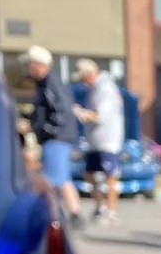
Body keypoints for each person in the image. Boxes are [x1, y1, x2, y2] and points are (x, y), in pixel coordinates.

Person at [26, 45, 82, 224]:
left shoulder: (51, 82)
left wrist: (46, 130)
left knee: (50, 178)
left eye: (29, 64)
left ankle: (51, 215)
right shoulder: (48, 82)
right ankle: (74, 213)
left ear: (38, 64)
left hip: (56, 137)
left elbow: (62, 110)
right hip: (57, 136)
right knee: (61, 176)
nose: (28, 69)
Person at [73, 58, 125, 222]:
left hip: (107, 141)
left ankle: (111, 210)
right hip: (94, 141)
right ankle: (100, 206)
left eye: (83, 78)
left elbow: (100, 115)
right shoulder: (94, 89)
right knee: (88, 174)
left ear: (90, 74)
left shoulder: (105, 88)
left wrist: (80, 113)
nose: (82, 82)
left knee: (111, 175)